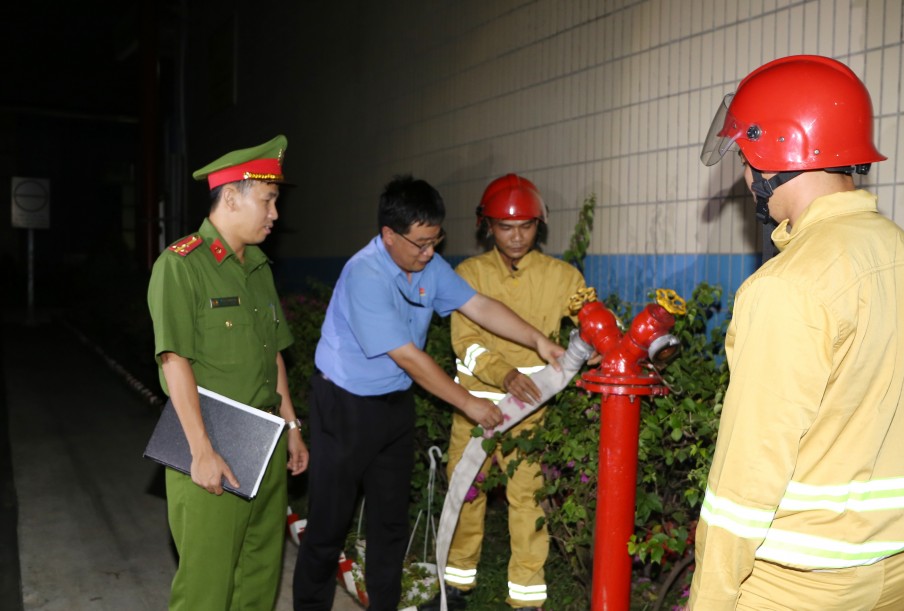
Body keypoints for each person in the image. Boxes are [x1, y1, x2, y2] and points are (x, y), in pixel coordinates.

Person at [689, 55, 904, 610]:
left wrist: (710, 599)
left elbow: (746, 477)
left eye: (744, 155)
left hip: (797, 586)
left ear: (771, 154)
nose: (744, 175)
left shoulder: (787, 287)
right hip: (895, 573)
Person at [292, 174, 566, 611]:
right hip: (344, 407)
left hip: (395, 406)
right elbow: (409, 357)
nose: (429, 252)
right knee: (327, 527)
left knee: (390, 525)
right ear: (388, 235)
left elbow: (479, 306)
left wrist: (538, 340)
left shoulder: (426, 264)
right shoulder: (365, 274)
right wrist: (469, 403)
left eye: (435, 241)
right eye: (420, 243)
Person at [147, 134, 310, 611]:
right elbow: (173, 360)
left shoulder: (258, 268)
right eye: (268, 200)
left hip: (264, 437)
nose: (275, 214)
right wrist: (201, 451)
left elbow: (273, 354)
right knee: (206, 587)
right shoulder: (181, 266)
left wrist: (292, 427)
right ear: (232, 196)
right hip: (211, 437)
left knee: (259, 578)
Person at [422, 174, 585, 611]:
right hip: (474, 408)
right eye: (506, 227)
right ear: (486, 227)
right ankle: (454, 587)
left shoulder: (563, 277)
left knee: (527, 503)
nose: (517, 236)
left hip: (532, 415)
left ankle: (527, 598)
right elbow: (465, 344)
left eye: (526, 226)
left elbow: (592, 322)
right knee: (466, 495)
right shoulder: (467, 275)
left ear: (539, 226)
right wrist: (505, 374)